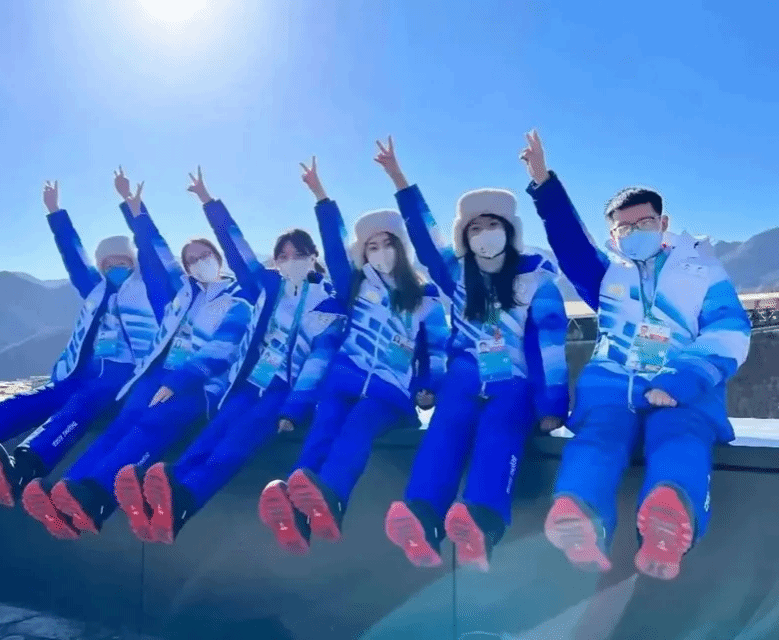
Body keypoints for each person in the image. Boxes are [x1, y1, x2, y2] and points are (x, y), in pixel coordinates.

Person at [520, 130, 751, 580]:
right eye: (624, 228)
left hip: (682, 391)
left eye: (643, 223)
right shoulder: (609, 275)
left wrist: (682, 380)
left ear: (663, 223)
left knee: (679, 437)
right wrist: (544, 183)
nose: (633, 233)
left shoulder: (701, 270)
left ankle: (670, 519)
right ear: (614, 234)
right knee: (597, 441)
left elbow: (729, 330)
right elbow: (570, 243)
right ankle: (579, 517)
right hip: (613, 388)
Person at [114, 167, 347, 546]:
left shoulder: (329, 304)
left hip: (283, 393)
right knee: (210, 437)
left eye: (299, 254)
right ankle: (169, 497)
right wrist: (209, 202)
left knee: (234, 444)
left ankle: (185, 499)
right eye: (283, 255)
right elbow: (236, 247)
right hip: (250, 382)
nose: (291, 260)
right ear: (276, 261)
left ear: (313, 256)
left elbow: (318, 362)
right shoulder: (268, 287)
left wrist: (295, 409)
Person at [20, 172, 257, 540]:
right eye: (192, 259)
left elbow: (221, 351)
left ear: (218, 256)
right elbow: (153, 249)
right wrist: (134, 209)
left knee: (149, 427)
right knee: (120, 426)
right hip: (156, 375)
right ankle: (69, 490)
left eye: (205, 255)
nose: (199, 262)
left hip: (200, 386)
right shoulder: (182, 295)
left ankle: (96, 496)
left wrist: (179, 382)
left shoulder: (237, 300)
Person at [373, 137, 569, 571]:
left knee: (500, 433)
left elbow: (549, 346)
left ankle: (481, 520)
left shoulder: (536, 280)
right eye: (474, 228)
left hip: (513, 380)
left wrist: (551, 405)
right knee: (444, 432)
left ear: (510, 229)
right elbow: (425, 237)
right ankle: (422, 518)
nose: (483, 235)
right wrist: (399, 179)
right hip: (464, 375)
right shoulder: (456, 275)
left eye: (492, 224)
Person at [0, 178, 161, 507]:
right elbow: (74, 256)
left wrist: (135, 209)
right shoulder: (96, 290)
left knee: (77, 408)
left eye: (123, 262)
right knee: (16, 406)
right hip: (78, 373)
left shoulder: (149, 291)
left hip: (123, 377)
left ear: (134, 264)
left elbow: (154, 252)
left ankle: (22, 468)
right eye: (108, 264)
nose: (116, 268)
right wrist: (55, 212)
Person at [258, 157, 449, 553]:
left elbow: (436, 348)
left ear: (401, 247)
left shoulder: (425, 297)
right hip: (344, 380)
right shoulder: (356, 286)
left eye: (387, 244)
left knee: (356, 428)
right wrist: (321, 197)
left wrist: (429, 386)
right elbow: (333, 244)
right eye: (371, 247)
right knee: (323, 427)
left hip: (389, 394)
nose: (380, 252)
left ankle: (333, 498)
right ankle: (296, 511)